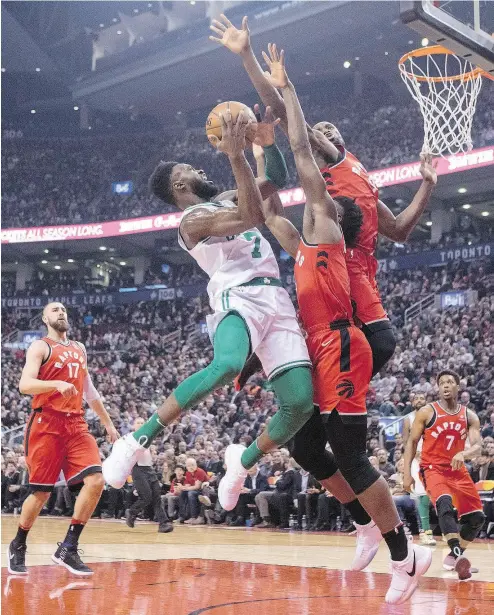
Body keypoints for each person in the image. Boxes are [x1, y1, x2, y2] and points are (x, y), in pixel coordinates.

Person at [251, 44, 431, 605]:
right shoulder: (319, 223)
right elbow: (267, 212)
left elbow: (304, 145)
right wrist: (256, 152)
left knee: (346, 448)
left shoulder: (330, 216)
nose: (327, 133)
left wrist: (284, 91)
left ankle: (406, 552)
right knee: (307, 444)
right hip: (338, 333)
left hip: (355, 334)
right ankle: (362, 523)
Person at [103, 110, 314, 511]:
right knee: (228, 365)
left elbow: (273, 184)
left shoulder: (224, 198)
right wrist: (237, 157)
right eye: (189, 167)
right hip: (237, 295)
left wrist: (266, 142)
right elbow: (251, 216)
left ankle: (242, 462)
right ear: (179, 184)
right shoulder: (191, 222)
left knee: (301, 403)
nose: (200, 166)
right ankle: (136, 441)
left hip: (276, 298)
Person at [210, 13, 437, 377]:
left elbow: (398, 230)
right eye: (321, 130)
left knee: (357, 344)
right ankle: (313, 384)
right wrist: (248, 56)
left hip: (355, 264)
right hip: (337, 261)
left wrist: (427, 184)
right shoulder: (327, 161)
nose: (326, 129)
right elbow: (286, 115)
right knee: (380, 343)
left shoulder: (360, 176)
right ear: (319, 145)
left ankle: (295, 370)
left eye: (332, 127)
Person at [8, 302, 119, 576]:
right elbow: (25, 385)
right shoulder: (40, 347)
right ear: (45, 318)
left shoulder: (79, 349)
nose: (61, 313)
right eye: (55, 310)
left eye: (64, 310)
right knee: (41, 493)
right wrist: (55, 384)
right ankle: (18, 544)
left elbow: (89, 390)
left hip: (76, 424)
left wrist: (108, 423)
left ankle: (68, 547)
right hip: (46, 423)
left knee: (96, 480)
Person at [404, 370, 485, 581]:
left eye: (450, 382)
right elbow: (411, 442)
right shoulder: (427, 412)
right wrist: (407, 474)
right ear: (438, 388)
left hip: (458, 470)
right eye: (441, 383)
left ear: (459, 387)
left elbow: (478, 446)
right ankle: (459, 556)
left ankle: (450, 559)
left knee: (477, 518)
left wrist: (464, 452)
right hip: (433, 468)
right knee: (445, 503)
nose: (445, 386)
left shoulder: (469, 415)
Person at [125, 418, 173, 534]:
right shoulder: (130, 437)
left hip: (149, 469)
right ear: (133, 425)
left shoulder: (148, 436)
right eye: (138, 423)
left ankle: (163, 523)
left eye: (142, 423)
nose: (141, 424)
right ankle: (132, 512)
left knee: (157, 496)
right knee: (146, 497)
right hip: (137, 469)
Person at [403, 392, 436, 545]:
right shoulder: (408, 419)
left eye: (422, 398)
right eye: (416, 398)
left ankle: (446, 531)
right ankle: (425, 532)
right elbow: (405, 442)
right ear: (412, 402)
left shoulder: (432, 416)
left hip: (433, 458)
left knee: (433, 495)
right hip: (417, 460)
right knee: (422, 494)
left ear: (426, 400)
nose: (419, 400)